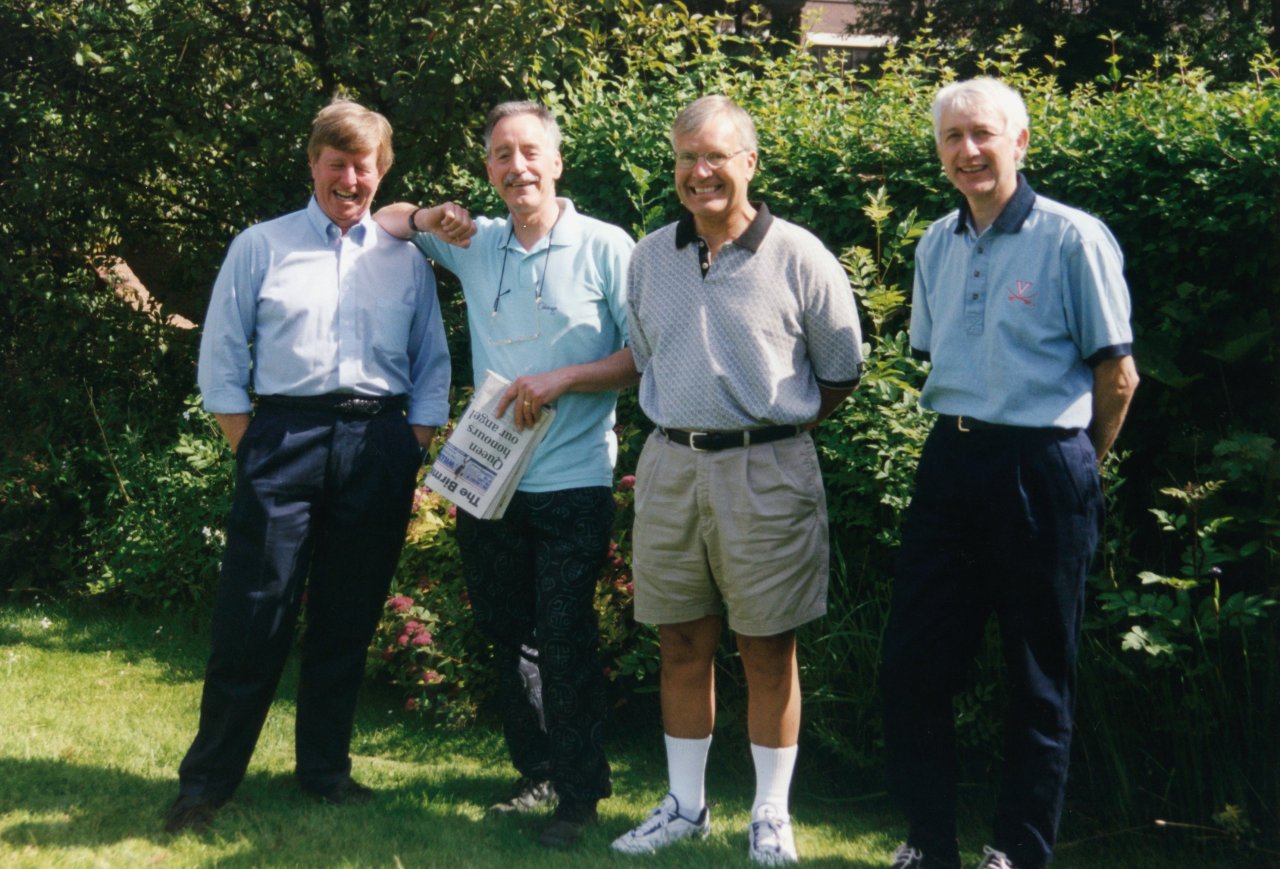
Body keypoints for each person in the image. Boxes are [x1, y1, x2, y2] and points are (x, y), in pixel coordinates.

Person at [163, 98, 454, 834]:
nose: (350, 179)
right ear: (313, 164)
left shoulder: (407, 261)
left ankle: (324, 771)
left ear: (381, 172)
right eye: (337, 163)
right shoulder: (260, 245)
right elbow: (221, 357)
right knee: (254, 614)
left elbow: (431, 364)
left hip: (378, 441)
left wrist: (410, 445)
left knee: (347, 617)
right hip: (283, 438)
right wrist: (253, 446)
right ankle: (206, 785)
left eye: (364, 166)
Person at [882, 78, 1139, 869]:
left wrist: (1075, 469)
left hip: (1043, 464)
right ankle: (929, 845)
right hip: (951, 460)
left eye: (983, 134)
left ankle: (1018, 853)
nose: (968, 150)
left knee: (1037, 676)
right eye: (952, 137)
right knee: (914, 664)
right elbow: (939, 352)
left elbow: (1118, 377)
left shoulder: (1073, 238)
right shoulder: (935, 243)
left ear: (1019, 142)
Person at [374, 100, 636, 848]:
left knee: (564, 632)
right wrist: (428, 216)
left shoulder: (607, 246)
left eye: (529, 152)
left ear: (556, 162)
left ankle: (578, 796)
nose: (517, 166)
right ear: (488, 169)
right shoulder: (477, 242)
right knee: (506, 631)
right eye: (501, 155)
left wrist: (565, 379)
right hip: (488, 478)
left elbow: (642, 357)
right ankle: (538, 773)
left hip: (574, 476)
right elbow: (386, 222)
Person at [611, 94, 864, 866]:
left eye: (716, 156)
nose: (700, 172)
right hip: (670, 465)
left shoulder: (799, 255)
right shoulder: (649, 257)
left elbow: (840, 373)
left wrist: (768, 430)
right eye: (686, 158)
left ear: (749, 162)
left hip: (768, 468)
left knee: (767, 646)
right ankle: (685, 806)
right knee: (680, 640)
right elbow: (646, 355)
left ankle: (771, 814)